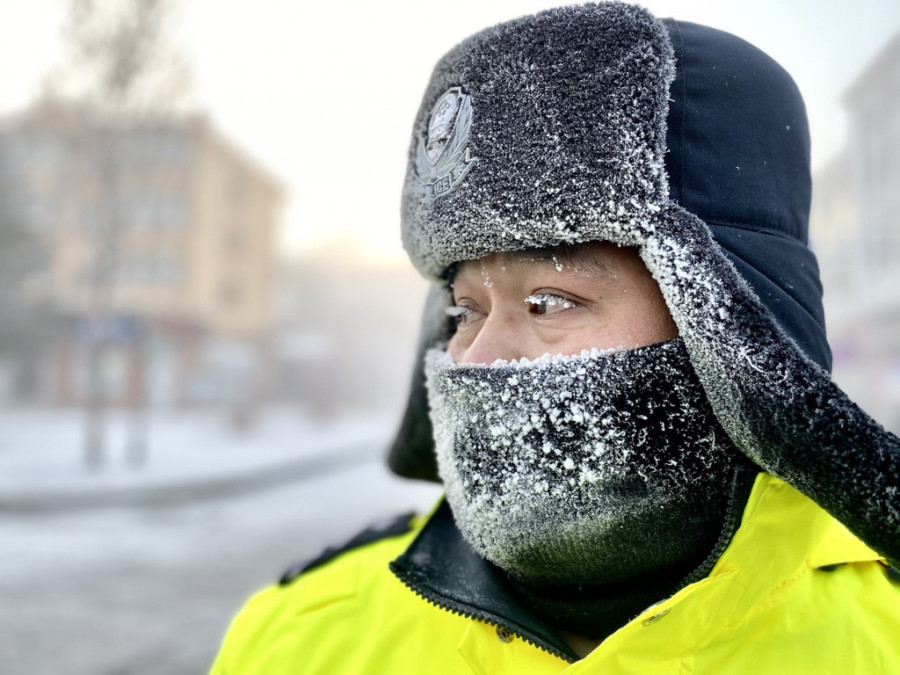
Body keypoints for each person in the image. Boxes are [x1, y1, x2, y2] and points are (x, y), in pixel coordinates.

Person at [211, 4, 900, 672]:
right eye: (464, 311)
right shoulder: (294, 642)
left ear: (736, 330)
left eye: (549, 302)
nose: (476, 357)